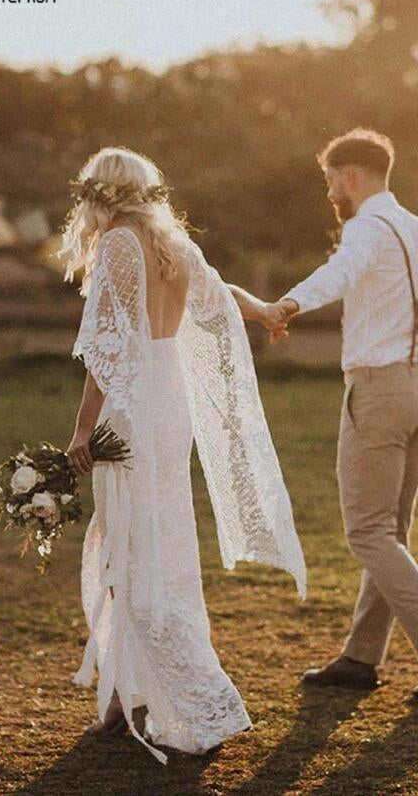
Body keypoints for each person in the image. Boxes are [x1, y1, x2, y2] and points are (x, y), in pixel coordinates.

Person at [61, 146, 306, 763]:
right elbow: (220, 294)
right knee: (150, 538)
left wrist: (83, 430)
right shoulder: (168, 239)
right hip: (169, 399)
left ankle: (198, 698)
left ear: (98, 193)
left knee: (135, 548)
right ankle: (125, 697)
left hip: (136, 400)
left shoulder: (119, 243)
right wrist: (264, 311)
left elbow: (109, 347)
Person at [267, 127, 418, 699]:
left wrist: (289, 303)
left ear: (351, 176)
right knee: (392, 532)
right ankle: (360, 659)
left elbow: (339, 274)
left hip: (381, 389)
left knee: (368, 531)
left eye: (331, 180)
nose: (330, 191)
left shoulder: (365, 228)